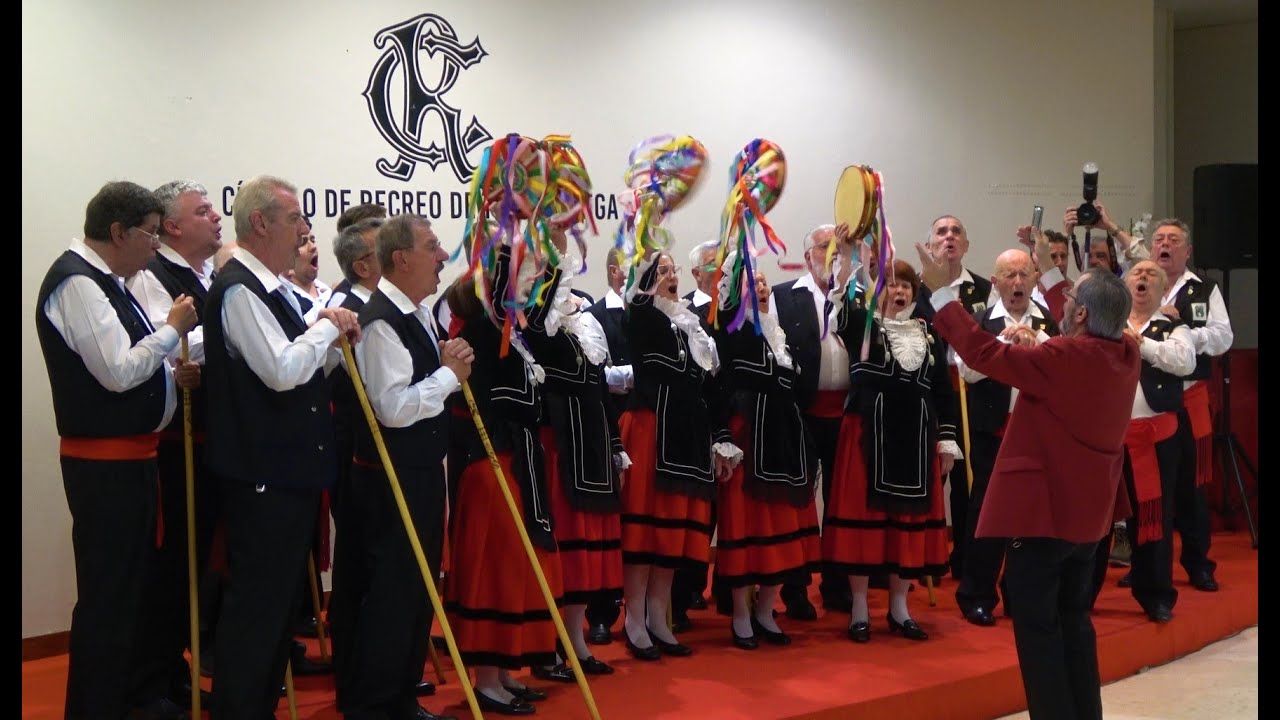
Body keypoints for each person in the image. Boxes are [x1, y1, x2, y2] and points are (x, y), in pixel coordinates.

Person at [920, 228, 1140, 720]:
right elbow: (1096, 309)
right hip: (1089, 517)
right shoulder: (1124, 354)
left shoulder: (1063, 356)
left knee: (1039, 634)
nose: (1058, 303)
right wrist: (1057, 269)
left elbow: (984, 355)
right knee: (1075, 624)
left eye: (1070, 300)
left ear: (1080, 314)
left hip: (1045, 518)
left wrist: (941, 292)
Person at [35, 180, 199, 720]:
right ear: (117, 232)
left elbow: (135, 365)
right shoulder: (77, 282)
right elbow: (118, 372)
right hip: (103, 466)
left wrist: (174, 376)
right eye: (150, 236)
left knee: (132, 593)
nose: (155, 247)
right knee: (108, 598)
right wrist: (172, 333)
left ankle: (131, 698)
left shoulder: (112, 280)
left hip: (133, 461)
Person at [202, 175, 362, 720]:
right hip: (262, 474)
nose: (304, 229)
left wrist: (334, 344)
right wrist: (324, 328)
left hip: (287, 471)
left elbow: (304, 364)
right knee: (256, 614)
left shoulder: (270, 288)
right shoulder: (241, 289)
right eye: (295, 218)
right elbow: (279, 371)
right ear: (261, 223)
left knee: (275, 615)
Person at [342, 214, 466, 720]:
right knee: (394, 589)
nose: (442, 257)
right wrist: (448, 376)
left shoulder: (415, 313)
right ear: (401, 259)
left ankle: (398, 695)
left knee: (416, 586)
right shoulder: (381, 322)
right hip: (389, 476)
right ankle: (375, 703)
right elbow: (391, 409)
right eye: (432, 246)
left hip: (418, 468)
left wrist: (444, 362)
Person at [442, 242, 563, 716]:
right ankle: (487, 679)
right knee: (496, 569)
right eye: (519, 279)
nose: (527, 289)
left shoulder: (510, 331)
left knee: (518, 568)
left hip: (519, 460)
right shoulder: (482, 330)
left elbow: (541, 301)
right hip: (492, 463)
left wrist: (547, 248)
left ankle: (506, 671)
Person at [822, 229, 957, 644]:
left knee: (906, 526)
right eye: (892, 283)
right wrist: (847, 261)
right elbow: (842, 311)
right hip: (868, 438)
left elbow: (942, 391)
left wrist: (946, 441)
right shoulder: (863, 326)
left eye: (906, 285)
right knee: (866, 526)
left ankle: (900, 608)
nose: (899, 290)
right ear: (879, 290)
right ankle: (860, 608)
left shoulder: (928, 333)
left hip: (916, 442)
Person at [125, 180, 224, 709]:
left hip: (207, 438)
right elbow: (162, 348)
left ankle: (175, 668)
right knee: (168, 569)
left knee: (194, 565)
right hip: (173, 442)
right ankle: (152, 681)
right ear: (172, 226)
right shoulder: (153, 276)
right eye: (203, 210)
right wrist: (234, 331)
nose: (216, 216)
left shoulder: (206, 275)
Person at [619, 250, 739, 660]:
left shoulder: (692, 325)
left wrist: (719, 438)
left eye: (672, 270)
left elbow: (712, 389)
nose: (670, 276)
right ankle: (633, 619)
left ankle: (658, 617)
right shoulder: (642, 316)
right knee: (645, 531)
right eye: (661, 271)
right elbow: (635, 304)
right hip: (651, 428)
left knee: (671, 532)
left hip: (686, 436)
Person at [523, 231, 625, 680]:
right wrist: (551, 247)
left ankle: (575, 638)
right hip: (559, 440)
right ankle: (549, 646)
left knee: (588, 549)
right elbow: (540, 309)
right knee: (563, 547)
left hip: (592, 439)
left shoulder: (583, 315)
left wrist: (615, 444)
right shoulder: (533, 318)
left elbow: (599, 385)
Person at [711, 263, 821, 649]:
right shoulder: (733, 327)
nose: (758, 286)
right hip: (748, 436)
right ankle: (741, 615)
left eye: (761, 281)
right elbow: (725, 301)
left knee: (782, 525)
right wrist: (737, 242)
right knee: (746, 524)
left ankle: (765, 611)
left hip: (785, 439)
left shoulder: (779, 333)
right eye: (749, 281)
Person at [953, 250, 1059, 627]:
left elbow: (1064, 369)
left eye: (1024, 275)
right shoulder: (980, 322)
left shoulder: (1049, 321)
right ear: (994, 282)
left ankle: (1021, 594)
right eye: (1009, 276)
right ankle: (977, 595)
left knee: (1030, 519)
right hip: (993, 433)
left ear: (1033, 279)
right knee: (987, 516)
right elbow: (966, 371)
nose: (1017, 283)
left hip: (1036, 435)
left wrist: (1037, 344)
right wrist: (1004, 344)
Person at [1087, 260, 1195, 622]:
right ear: (1123, 286)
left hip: (1155, 440)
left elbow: (1185, 361)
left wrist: (1142, 343)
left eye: (1152, 275)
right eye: (1137, 273)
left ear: (1165, 289)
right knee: (1096, 521)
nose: (1144, 278)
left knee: (1154, 520)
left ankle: (1156, 595)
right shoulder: (1104, 326)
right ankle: (1083, 595)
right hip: (1105, 440)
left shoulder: (1173, 327)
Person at [769, 224, 853, 617]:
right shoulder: (784, 297)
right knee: (799, 504)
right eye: (825, 247)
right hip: (800, 413)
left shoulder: (856, 295)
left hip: (847, 416)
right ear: (807, 256)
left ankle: (837, 586)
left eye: (839, 248)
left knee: (841, 504)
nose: (833, 254)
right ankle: (796, 588)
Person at [325, 216, 388, 705]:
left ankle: (378, 672)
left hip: (381, 448)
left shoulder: (381, 306)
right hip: (354, 450)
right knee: (358, 563)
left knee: (379, 565)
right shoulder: (345, 309)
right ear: (364, 264)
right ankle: (356, 678)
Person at [1151, 218, 1233, 592]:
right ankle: (1148, 568)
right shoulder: (1138, 285)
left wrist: (1181, 328)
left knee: (1190, 488)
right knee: (1151, 489)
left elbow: (1222, 337)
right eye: (1159, 239)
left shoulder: (1205, 289)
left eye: (1173, 240)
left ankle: (1198, 563)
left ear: (1188, 251)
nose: (1165, 245)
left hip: (1187, 399)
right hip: (1147, 402)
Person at [917, 215, 992, 581]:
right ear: (930, 245)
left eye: (956, 232)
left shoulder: (982, 289)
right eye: (941, 233)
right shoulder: (915, 289)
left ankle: (965, 557)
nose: (949, 237)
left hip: (968, 390)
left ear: (966, 245)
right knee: (928, 479)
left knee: (968, 478)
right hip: (928, 392)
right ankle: (921, 559)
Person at [582, 247, 633, 644]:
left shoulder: (663, 314)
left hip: (650, 423)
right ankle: (600, 612)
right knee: (602, 519)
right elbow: (599, 375)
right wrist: (640, 374)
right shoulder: (594, 314)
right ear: (615, 271)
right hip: (610, 422)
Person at [671, 239, 722, 624]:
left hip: (728, 419)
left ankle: (709, 584)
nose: (720, 269)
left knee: (719, 511)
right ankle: (683, 591)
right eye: (711, 263)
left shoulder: (740, 311)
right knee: (691, 512)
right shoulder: (684, 312)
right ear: (695, 274)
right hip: (689, 419)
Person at [284, 217, 332, 324]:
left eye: (313, 240)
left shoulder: (327, 291)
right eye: (303, 242)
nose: (313, 247)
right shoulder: (285, 299)